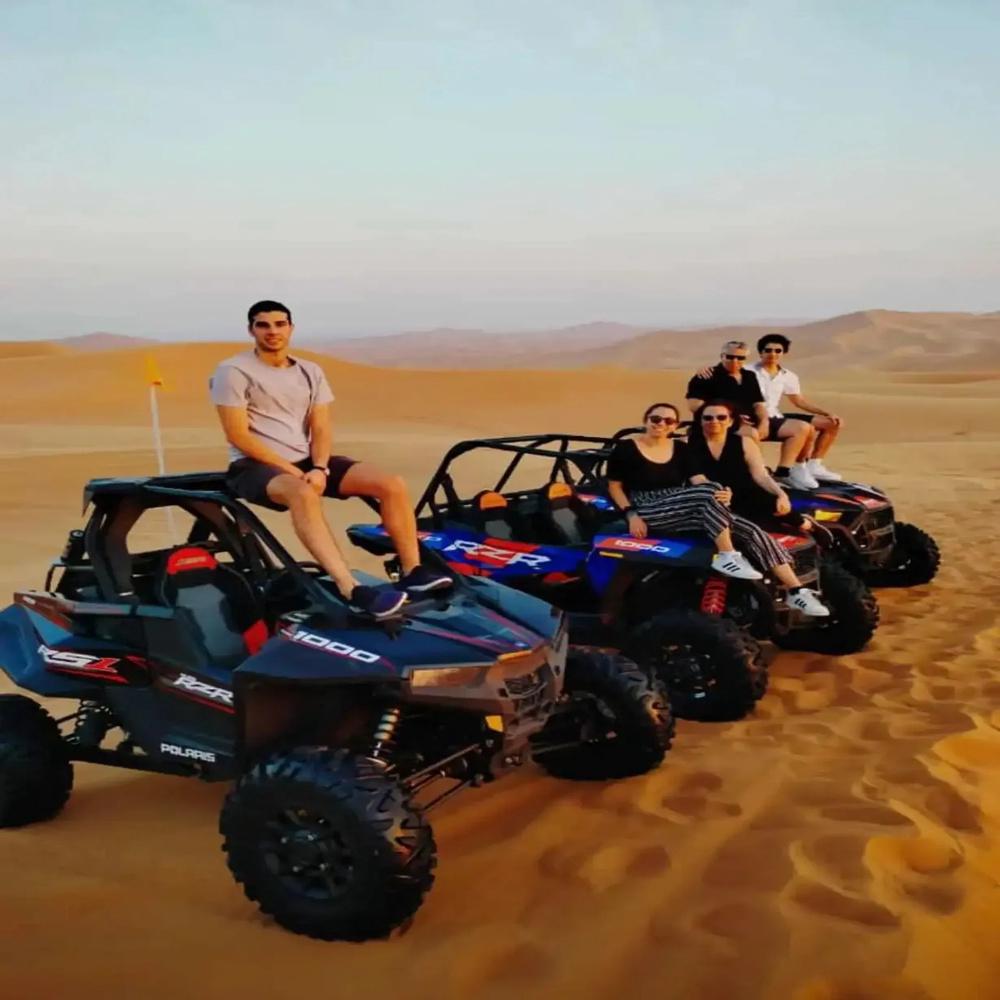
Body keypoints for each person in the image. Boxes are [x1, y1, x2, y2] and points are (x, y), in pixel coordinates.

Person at [210, 299, 451, 619]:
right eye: (263, 325)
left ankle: (413, 571)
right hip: (254, 466)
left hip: (308, 460)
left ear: (291, 328)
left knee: (391, 484)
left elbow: (321, 426)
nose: (272, 331)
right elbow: (238, 435)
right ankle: (350, 588)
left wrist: (320, 467)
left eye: (280, 324)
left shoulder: (309, 371)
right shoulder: (233, 371)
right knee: (303, 493)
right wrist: (295, 472)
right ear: (251, 330)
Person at [607, 402, 789, 584]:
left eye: (668, 421)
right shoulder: (626, 448)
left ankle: (795, 589)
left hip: (679, 504)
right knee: (711, 491)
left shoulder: (680, 448)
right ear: (646, 420)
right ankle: (727, 555)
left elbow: (698, 479)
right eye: (656, 419)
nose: (661, 424)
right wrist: (631, 515)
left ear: (675, 426)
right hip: (646, 506)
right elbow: (614, 487)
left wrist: (721, 491)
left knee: (751, 530)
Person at [685, 399, 829, 616]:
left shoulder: (743, 443)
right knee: (748, 532)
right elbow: (697, 479)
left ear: (730, 421)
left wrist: (781, 493)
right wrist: (716, 492)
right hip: (718, 498)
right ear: (700, 421)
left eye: (721, 417)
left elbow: (760, 475)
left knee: (777, 507)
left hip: (747, 493)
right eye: (708, 417)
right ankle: (790, 588)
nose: (714, 421)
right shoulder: (690, 447)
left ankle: (807, 524)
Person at [688, 340, 818, 489]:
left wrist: (764, 422)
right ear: (722, 356)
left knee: (802, 427)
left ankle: (783, 473)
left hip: (753, 420)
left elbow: (758, 404)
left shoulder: (749, 376)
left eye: (740, 358)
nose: (735, 361)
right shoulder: (706, 376)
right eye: (730, 357)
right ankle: (757, 476)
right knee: (751, 433)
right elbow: (694, 405)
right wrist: (733, 416)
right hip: (722, 423)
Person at [748, 333, 843, 483]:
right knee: (804, 428)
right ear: (761, 352)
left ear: (784, 353)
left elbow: (799, 401)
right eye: (768, 350)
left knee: (831, 423)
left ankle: (814, 465)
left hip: (775, 415)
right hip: (755, 417)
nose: (773, 354)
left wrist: (827, 413)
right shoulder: (747, 371)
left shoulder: (788, 376)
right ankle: (790, 470)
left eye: (778, 350)